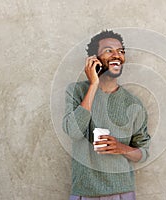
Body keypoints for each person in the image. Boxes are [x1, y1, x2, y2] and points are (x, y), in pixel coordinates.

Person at [62, 30, 151, 200]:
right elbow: (73, 131)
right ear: (94, 59)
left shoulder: (134, 104)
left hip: (122, 192)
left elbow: (143, 152)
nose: (117, 55)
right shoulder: (77, 91)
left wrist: (121, 148)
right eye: (109, 50)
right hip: (84, 191)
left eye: (120, 51)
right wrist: (94, 84)